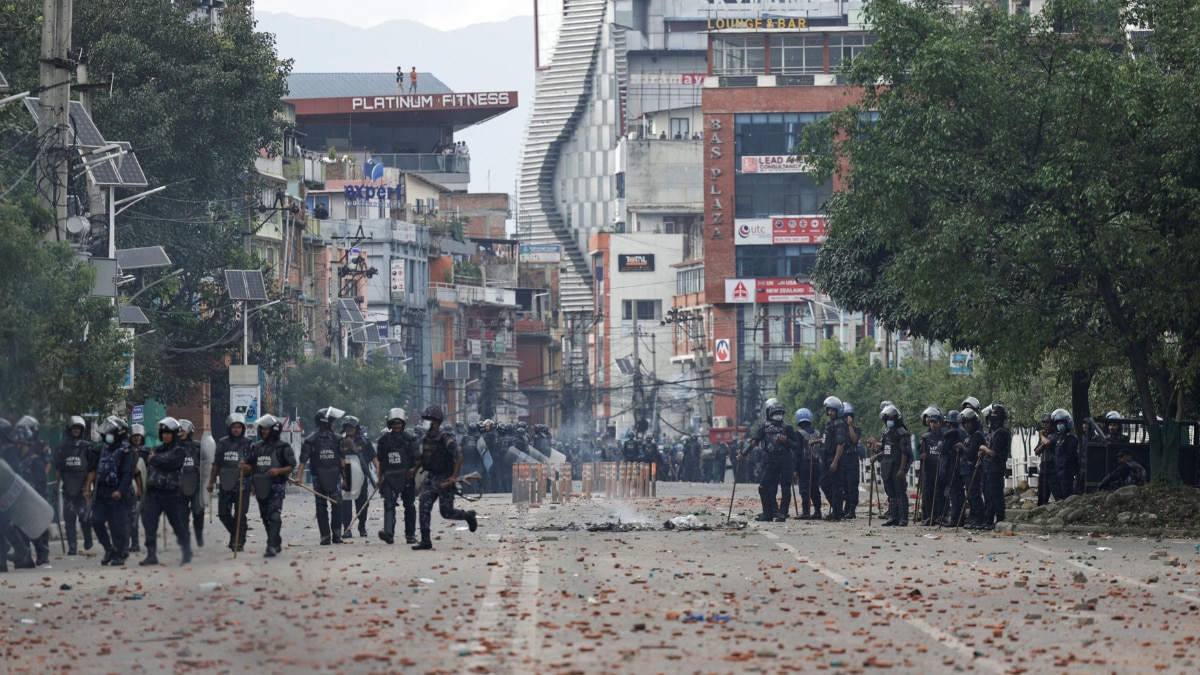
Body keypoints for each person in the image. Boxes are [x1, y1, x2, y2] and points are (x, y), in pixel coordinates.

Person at [412, 406, 477, 551]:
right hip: (431, 478)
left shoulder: (445, 438)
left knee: (446, 512)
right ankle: (425, 540)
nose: (425, 422)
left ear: (435, 422)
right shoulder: (426, 438)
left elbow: (459, 457)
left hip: (444, 479)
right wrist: (414, 470)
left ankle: (468, 516)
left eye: (428, 419)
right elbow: (425, 458)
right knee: (424, 506)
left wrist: (453, 477)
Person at [140, 417, 192, 566]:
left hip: (170, 493)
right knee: (149, 523)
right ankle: (151, 554)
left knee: (177, 524)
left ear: (174, 434)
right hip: (154, 493)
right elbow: (151, 464)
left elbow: (170, 463)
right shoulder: (157, 450)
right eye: (163, 433)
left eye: (168, 433)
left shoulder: (180, 451)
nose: (165, 435)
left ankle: (186, 550)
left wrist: (153, 459)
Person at [87, 417, 135, 566]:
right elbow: (95, 470)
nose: (107, 434)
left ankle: (119, 554)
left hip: (117, 494)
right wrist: (89, 489)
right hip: (102, 493)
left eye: (111, 431)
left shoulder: (126, 451)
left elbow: (128, 474)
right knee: (96, 522)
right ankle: (109, 549)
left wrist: (120, 491)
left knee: (118, 526)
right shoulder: (103, 450)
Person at [741, 400, 800, 522]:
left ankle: (782, 513)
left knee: (785, 487)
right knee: (763, 487)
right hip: (771, 461)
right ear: (770, 415)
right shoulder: (765, 427)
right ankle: (767, 513)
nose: (778, 415)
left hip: (785, 461)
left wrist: (786, 441)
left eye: (780, 413)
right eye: (775, 413)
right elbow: (755, 440)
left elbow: (796, 446)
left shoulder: (787, 428)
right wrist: (744, 453)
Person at [246, 415, 295, 558]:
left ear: (274, 430)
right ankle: (276, 540)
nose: (264, 432)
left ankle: (271, 545)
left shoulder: (283, 447)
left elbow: (291, 465)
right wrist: (244, 467)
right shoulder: (257, 447)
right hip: (261, 486)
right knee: (265, 516)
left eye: (266, 429)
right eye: (262, 429)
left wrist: (278, 471)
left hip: (276, 485)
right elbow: (252, 467)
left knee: (274, 515)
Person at [296, 407, 346, 546]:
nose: (334, 424)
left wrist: (345, 478)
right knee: (320, 506)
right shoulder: (311, 440)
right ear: (325, 422)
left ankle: (337, 534)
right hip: (319, 478)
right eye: (332, 421)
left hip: (335, 476)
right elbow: (303, 460)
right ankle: (325, 536)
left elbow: (342, 459)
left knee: (338, 504)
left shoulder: (337, 439)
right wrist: (299, 477)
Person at [208, 413, 252, 552]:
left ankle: (238, 542)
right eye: (234, 427)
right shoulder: (222, 443)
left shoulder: (248, 443)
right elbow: (216, 464)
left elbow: (254, 467)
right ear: (229, 428)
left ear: (243, 428)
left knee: (240, 514)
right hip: (226, 483)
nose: (236, 430)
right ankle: (237, 534)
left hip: (242, 484)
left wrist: (246, 468)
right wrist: (211, 481)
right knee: (223, 514)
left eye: (239, 427)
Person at [376, 408, 419, 545]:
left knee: (409, 506)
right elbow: (381, 461)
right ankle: (388, 533)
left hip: (407, 476)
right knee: (389, 505)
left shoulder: (410, 439)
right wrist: (380, 477)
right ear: (390, 424)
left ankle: (410, 535)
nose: (397, 426)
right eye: (394, 423)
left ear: (403, 423)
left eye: (399, 423)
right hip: (389, 477)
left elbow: (418, 460)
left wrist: (414, 470)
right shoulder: (383, 441)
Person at [12, 416, 50, 566]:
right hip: (21, 498)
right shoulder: (16, 459)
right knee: (19, 528)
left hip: (34, 497)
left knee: (36, 528)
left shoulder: (35, 458)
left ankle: (42, 551)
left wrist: (37, 500)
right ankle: (25, 556)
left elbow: (41, 480)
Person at [55, 416, 93, 555]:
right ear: (69, 430)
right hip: (67, 487)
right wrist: (55, 487)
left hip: (82, 487)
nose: (76, 430)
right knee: (69, 518)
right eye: (74, 428)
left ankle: (88, 538)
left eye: (79, 428)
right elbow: (58, 469)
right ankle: (72, 546)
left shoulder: (87, 447)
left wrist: (89, 487)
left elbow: (91, 470)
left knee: (84, 516)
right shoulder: (62, 448)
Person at [869, 404, 912, 526]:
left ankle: (903, 518)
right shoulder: (886, 433)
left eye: (891, 419)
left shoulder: (901, 433)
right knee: (891, 493)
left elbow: (904, 452)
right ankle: (893, 516)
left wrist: (902, 469)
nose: (889, 422)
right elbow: (885, 448)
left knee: (900, 493)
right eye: (887, 419)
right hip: (887, 465)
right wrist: (876, 454)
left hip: (897, 465)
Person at [975, 404, 1011, 531]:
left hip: (996, 467)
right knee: (987, 493)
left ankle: (999, 519)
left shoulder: (1002, 433)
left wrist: (983, 448)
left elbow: (994, 452)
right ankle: (989, 519)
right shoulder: (991, 432)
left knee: (995, 494)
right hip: (987, 466)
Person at [340, 416, 375, 540]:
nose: (349, 429)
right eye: (347, 427)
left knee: (362, 503)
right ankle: (347, 528)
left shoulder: (365, 441)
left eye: (352, 427)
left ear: (357, 428)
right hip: (347, 477)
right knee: (346, 504)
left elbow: (373, 458)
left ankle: (362, 526)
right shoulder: (341, 441)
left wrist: (379, 472)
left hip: (361, 476)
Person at [816, 396, 849, 520]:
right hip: (827, 458)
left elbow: (841, 444)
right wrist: (816, 441)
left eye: (832, 410)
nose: (830, 412)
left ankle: (837, 513)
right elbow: (827, 440)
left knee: (836, 486)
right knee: (824, 483)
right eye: (829, 410)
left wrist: (835, 461)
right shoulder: (830, 424)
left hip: (835, 459)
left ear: (838, 411)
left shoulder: (840, 425)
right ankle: (837, 509)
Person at [177, 420, 207, 547]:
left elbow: (208, 461)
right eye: (180, 431)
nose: (182, 433)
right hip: (179, 484)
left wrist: (202, 467)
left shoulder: (198, 446)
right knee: (182, 514)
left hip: (196, 483)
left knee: (198, 512)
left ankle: (199, 537)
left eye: (184, 431)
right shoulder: (173, 447)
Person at [793, 408, 823, 519]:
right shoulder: (817, 433)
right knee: (815, 488)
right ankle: (817, 511)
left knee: (804, 488)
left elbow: (798, 452)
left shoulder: (799, 434)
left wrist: (795, 469)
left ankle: (806, 512)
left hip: (804, 464)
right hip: (816, 464)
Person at [916, 408, 945, 525]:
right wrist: (922, 455)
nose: (933, 425)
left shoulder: (944, 436)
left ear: (940, 423)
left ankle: (940, 515)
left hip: (940, 468)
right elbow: (920, 451)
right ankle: (929, 516)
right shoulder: (926, 437)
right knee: (928, 492)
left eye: (935, 422)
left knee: (940, 493)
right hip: (928, 469)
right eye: (931, 422)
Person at [1049, 409, 1079, 502]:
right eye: (1058, 423)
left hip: (1066, 471)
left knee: (1067, 494)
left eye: (1061, 423)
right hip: (1058, 470)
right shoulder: (1059, 437)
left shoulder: (1070, 438)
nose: (1059, 425)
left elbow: (1072, 456)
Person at [842, 403, 865, 519]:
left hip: (852, 460)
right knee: (843, 486)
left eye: (849, 416)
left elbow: (854, 440)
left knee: (852, 485)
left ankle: (852, 509)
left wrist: (850, 426)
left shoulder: (856, 429)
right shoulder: (839, 430)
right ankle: (845, 507)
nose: (847, 419)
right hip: (842, 459)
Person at [127, 424, 148, 553]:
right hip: (131, 486)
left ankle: (150, 542)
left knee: (147, 518)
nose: (136, 438)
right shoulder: (126, 451)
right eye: (134, 436)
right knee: (132, 517)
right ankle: (134, 543)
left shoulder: (147, 452)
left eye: (138, 436)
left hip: (146, 486)